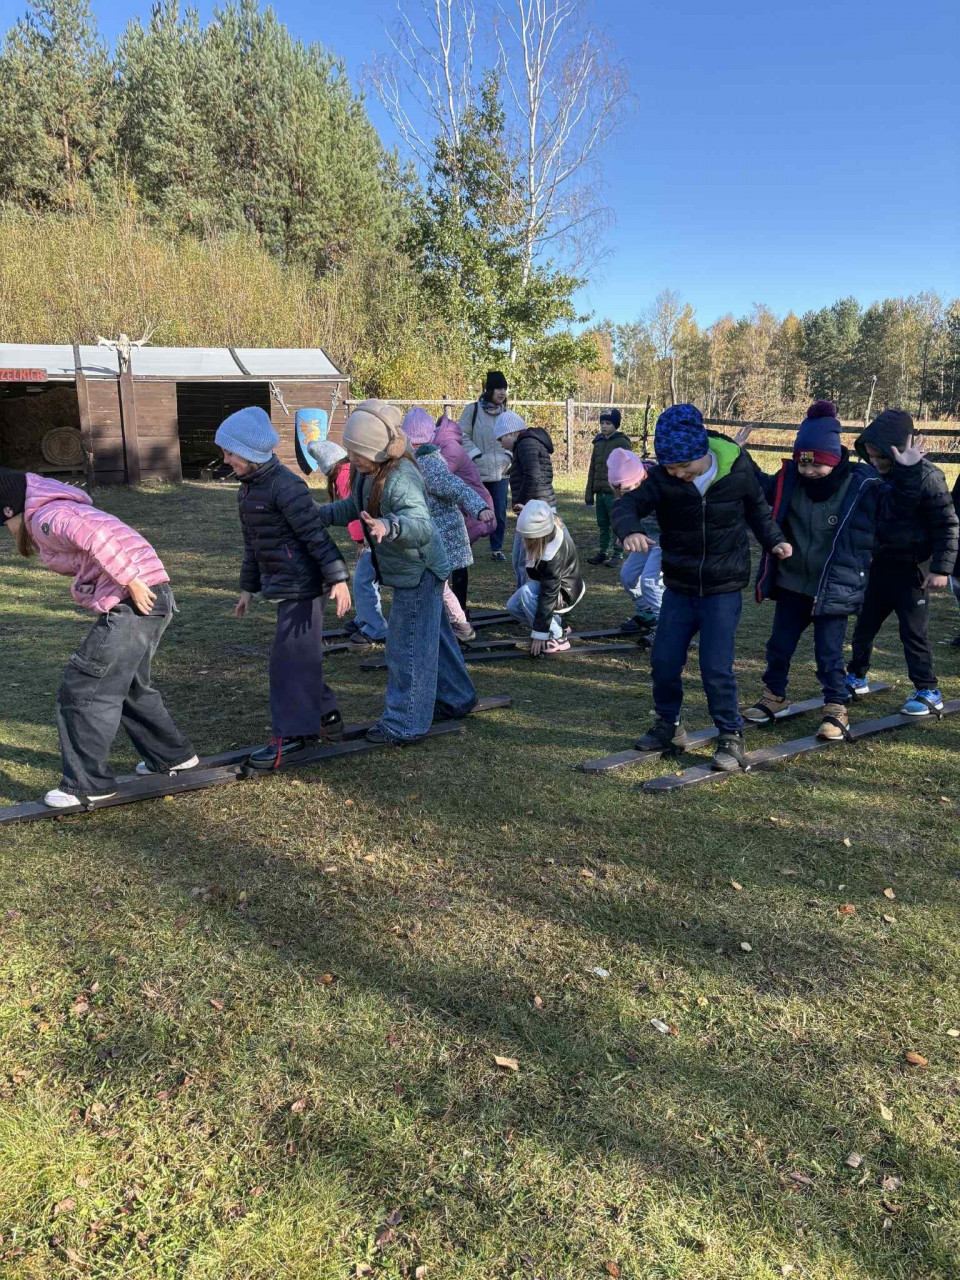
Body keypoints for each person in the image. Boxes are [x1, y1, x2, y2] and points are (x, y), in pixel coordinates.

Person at [0, 466, 197, 808]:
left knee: (84, 687)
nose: (8, 531)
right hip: (153, 595)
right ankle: (171, 757)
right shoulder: (55, 508)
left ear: (9, 508)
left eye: (4, 524)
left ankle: (87, 784)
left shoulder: (47, 517)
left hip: (137, 597)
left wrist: (130, 580)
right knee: (128, 685)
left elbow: (96, 536)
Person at [612, 404, 792, 771]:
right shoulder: (662, 479)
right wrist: (629, 529)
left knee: (715, 667)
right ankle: (669, 725)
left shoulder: (737, 469)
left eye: (684, 466)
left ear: (701, 451)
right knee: (664, 660)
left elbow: (759, 510)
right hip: (679, 586)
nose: (678, 474)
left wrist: (775, 540)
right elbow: (627, 505)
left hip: (723, 588)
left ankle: (730, 734)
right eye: (671, 468)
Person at [741, 402, 923, 740]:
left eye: (817, 464)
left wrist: (908, 472)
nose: (809, 471)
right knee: (779, 646)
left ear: (834, 459)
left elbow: (898, 506)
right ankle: (774, 697)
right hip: (794, 582)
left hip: (834, 586)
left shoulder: (862, 483)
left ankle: (836, 707)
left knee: (828, 653)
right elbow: (758, 487)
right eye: (803, 463)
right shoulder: (788, 478)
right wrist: (739, 456)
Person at [315, 400, 478, 744]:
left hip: (420, 572)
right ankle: (457, 697)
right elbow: (355, 507)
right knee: (434, 638)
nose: (351, 458)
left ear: (377, 449)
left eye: (357, 452)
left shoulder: (401, 477)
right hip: (411, 568)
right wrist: (320, 515)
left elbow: (421, 525)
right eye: (350, 451)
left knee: (406, 648)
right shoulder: (366, 472)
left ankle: (404, 723)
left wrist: (390, 526)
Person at [216, 406, 352, 770]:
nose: (226, 460)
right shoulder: (248, 490)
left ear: (248, 451)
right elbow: (253, 545)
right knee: (297, 658)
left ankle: (292, 735)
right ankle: (327, 717)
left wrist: (338, 579)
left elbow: (316, 536)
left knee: (288, 663)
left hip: (304, 586)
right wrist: (247, 590)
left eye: (229, 453)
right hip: (283, 584)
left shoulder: (286, 486)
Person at [845, 408, 958, 715]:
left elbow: (947, 524)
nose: (876, 463)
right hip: (879, 565)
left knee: (913, 633)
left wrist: (941, 569)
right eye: (870, 456)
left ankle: (928, 690)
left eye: (881, 456)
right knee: (864, 625)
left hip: (913, 570)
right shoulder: (873, 476)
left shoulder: (929, 476)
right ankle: (856, 676)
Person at [402, 407, 496, 642]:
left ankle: (459, 625)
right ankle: (448, 622)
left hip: (445, 535)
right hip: (435, 533)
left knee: (439, 584)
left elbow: (458, 487)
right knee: (437, 583)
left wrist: (480, 508)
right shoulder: (421, 461)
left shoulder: (429, 465)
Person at [302, 439, 388, 650]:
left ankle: (375, 627)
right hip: (373, 536)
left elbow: (356, 511)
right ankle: (365, 618)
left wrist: (361, 540)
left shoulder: (344, 475)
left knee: (363, 581)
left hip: (371, 537)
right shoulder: (352, 472)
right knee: (366, 579)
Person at [431, 413, 494, 614]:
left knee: (457, 559)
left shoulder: (450, 448)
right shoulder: (447, 445)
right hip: (468, 508)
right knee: (455, 559)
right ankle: (456, 609)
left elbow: (437, 478)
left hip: (475, 509)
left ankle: (458, 610)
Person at [459, 371, 525, 561]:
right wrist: (476, 455)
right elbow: (462, 435)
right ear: (489, 390)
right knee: (472, 510)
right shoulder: (472, 411)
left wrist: (508, 456)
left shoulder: (507, 414)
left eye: (504, 388)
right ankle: (466, 546)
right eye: (498, 388)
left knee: (499, 512)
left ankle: (496, 548)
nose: (502, 392)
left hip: (500, 472)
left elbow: (518, 436)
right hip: (477, 471)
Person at [505, 500, 584, 655]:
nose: (525, 541)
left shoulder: (552, 557)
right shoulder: (549, 527)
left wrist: (540, 633)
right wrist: (527, 513)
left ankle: (558, 637)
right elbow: (544, 513)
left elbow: (548, 595)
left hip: (565, 592)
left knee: (526, 593)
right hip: (549, 587)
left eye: (529, 538)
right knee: (513, 607)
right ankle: (558, 624)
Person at [606, 447, 664, 636]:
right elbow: (624, 512)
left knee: (651, 582)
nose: (627, 495)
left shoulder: (658, 483)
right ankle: (647, 613)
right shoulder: (623, 488)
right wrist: (624, 533)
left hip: (665, 540)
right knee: (628, 576)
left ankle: (665, 629)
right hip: (644, 537)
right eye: (622, 491)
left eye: (630, 489)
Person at [498, 418, 556, 589]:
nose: (501, 444)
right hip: (533, 508)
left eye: (501, 438)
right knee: (520, 559)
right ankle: (524, 595)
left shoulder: (526, 444)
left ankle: (530, 598)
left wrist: (521, 502)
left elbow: (533, 475)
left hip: (536, 510)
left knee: (528, 562)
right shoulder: (524, 445)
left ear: (510, 433)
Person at [585, 408, 632, 565]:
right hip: (600, 492)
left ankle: (617, 554)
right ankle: (603, 552)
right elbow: (593, 468)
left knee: (616, 524)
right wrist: (589, 493)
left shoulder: (622, 443)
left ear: (616, 425)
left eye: (608, 423)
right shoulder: (598, 443)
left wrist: (624, 491)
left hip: (615, 492)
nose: (604, 426)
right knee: (603, 524)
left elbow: (628, 468)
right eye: (602, 423)